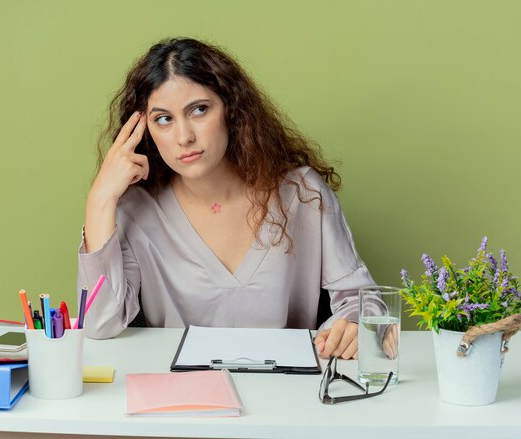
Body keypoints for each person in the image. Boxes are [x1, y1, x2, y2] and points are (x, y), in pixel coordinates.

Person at [77, 37, 375, 360]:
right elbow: (100, 322)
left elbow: (364, 303)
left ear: (231, 110)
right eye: (163, 119)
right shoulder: (136, 210)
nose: (184, 137)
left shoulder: (303, 194)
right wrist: (100, 199)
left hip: (290, 397)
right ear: (144, 128)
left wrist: (354, 326)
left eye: (199, 110)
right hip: (181, 399)